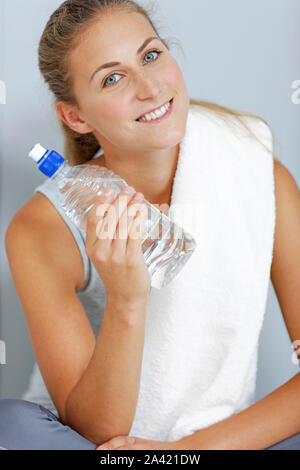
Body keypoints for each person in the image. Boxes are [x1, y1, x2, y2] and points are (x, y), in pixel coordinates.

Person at [3, 0, 300, 450]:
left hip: (213, 441)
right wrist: (126, 300)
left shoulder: (256, 173)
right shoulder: (43, 229)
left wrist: (181, 456)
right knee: (10, 424)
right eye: (113, 78)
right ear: (76, 117)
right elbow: (98, 434)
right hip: (88, 445)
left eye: (151, 55)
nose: (150, 87)